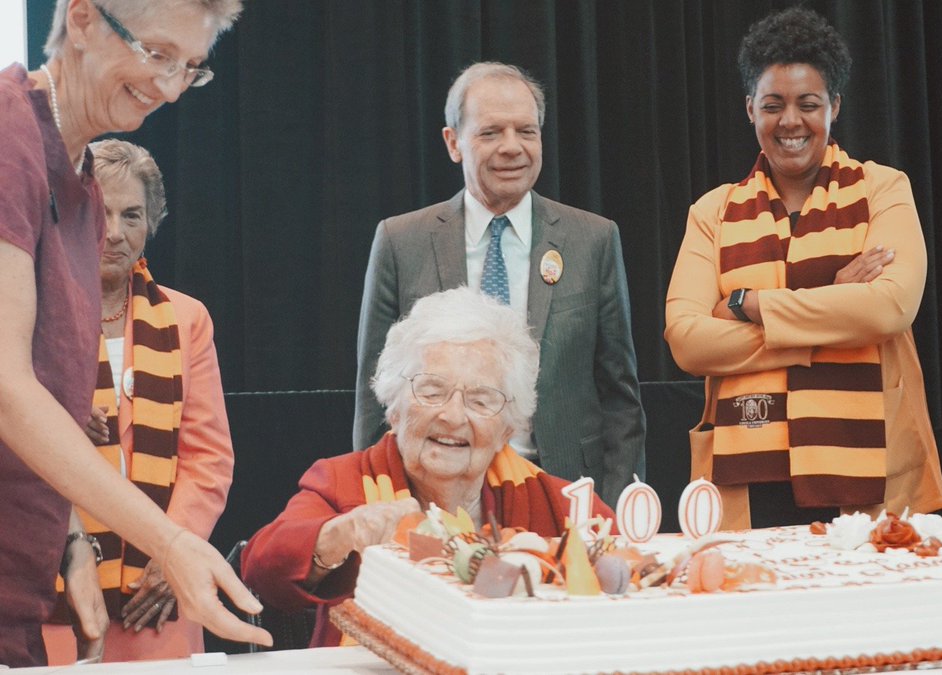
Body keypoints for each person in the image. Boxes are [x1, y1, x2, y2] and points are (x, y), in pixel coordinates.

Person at [0, 0, 269, 665]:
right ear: (84, 18)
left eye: (191, 68)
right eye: (157, 54)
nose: (171, 87)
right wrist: (174, 544)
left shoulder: (85, 189)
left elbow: (41, 412)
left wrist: (70, 547)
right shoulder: (8, 135)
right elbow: (6, 386)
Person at [664, 6, 942, 530]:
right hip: (747, 476)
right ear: (750, 109)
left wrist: (747, 307)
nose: (790, 120)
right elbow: (686, 340)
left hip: (871, 470)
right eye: (773, 105)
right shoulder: (713, 211)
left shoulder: (882, 187)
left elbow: (889, 307)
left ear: (834, 106)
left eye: (808, 104)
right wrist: (834, 308)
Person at [244, 287, 616, 646]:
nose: (453, 416)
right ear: (393, 406)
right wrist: (340, 537)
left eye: (481, 400)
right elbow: (262, 571)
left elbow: (624, 574)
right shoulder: (343, 483)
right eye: (432, 391)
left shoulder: (558, 504)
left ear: (509, 427)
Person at [353, 62, 645, 509]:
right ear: (454, 143)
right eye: (491, 133)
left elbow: (620, 400)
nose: (513, 148)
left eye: (526, 131)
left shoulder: (593, 239)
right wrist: (384, 510)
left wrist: (615, 510)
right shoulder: (401, 241)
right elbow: (375, 401)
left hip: (566, 494)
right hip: (436, 498)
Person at [39, 140, 236, 664]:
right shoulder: (28, 312)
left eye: (133, 215)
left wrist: (173, 549)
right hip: (55, 590)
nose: (117, 232)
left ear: (154, 221)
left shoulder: (186, 318)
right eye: (102, 213)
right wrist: (52, 424)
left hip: (159, 599)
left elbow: (210, 459)